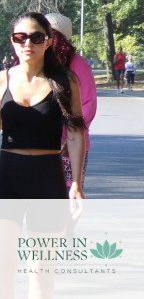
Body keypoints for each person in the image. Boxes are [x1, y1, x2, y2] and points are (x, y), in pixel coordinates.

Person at [0, 12, 86, 200]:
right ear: (13, 41)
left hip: (48, 175)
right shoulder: (2, 80)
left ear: (48, 42)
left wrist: (76, 184)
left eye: (36, 37)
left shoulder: (65, 80)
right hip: (6, 175)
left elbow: (75, 134)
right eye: (20, 37)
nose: (28, 44)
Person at [44, 13, 98, 190]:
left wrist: (71, 135)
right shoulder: (35, 63)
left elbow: (88, 103)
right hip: (39, 144)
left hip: (69, 143)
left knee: (67, 193)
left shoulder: (77, 63)